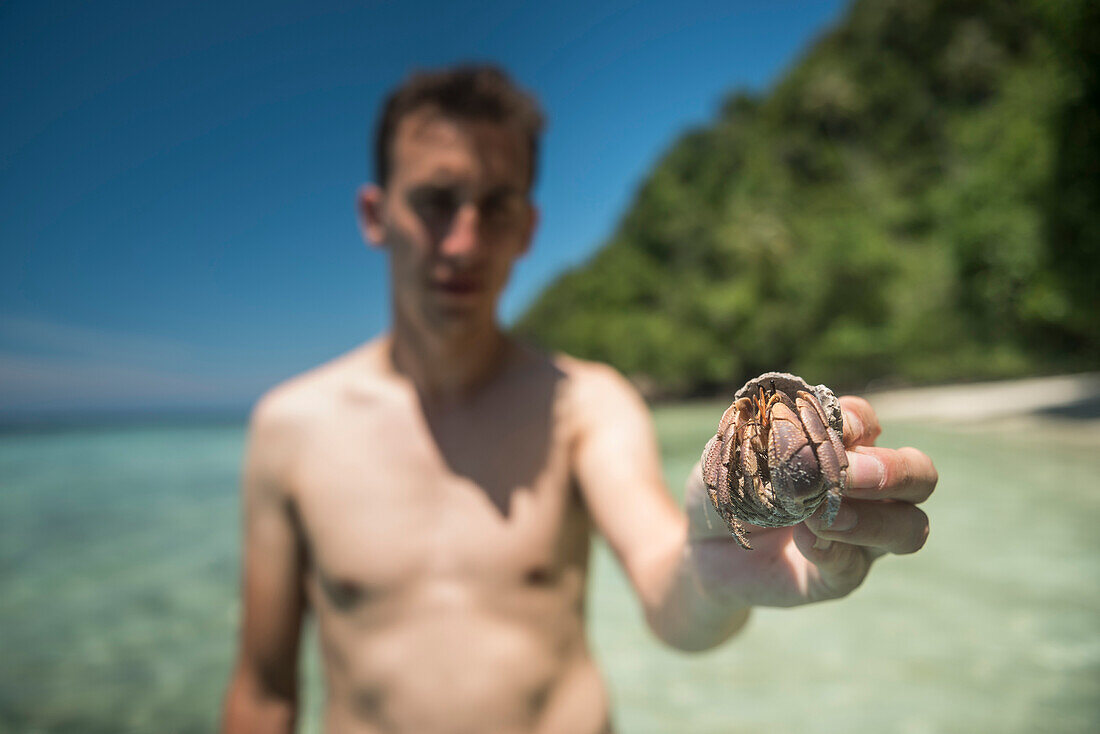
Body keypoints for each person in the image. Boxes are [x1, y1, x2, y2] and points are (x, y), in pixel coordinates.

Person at [221, 65, 937, 734]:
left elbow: (669, 584)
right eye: (436, 203)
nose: (465, 242)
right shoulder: (291, 429)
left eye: (495, 208)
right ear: (376, 215)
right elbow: (263, 690)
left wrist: (717, 578)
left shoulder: (586, 404)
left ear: (528, 229)